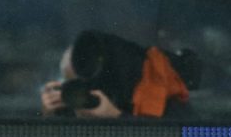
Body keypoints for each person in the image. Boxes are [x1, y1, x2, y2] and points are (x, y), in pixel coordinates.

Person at [39, 30, 195, 119]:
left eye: (81, 86)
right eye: (71, 86)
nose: (78, 94)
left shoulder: (169, 107)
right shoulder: (73, 112)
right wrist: (49, 117)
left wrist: (116, 117)